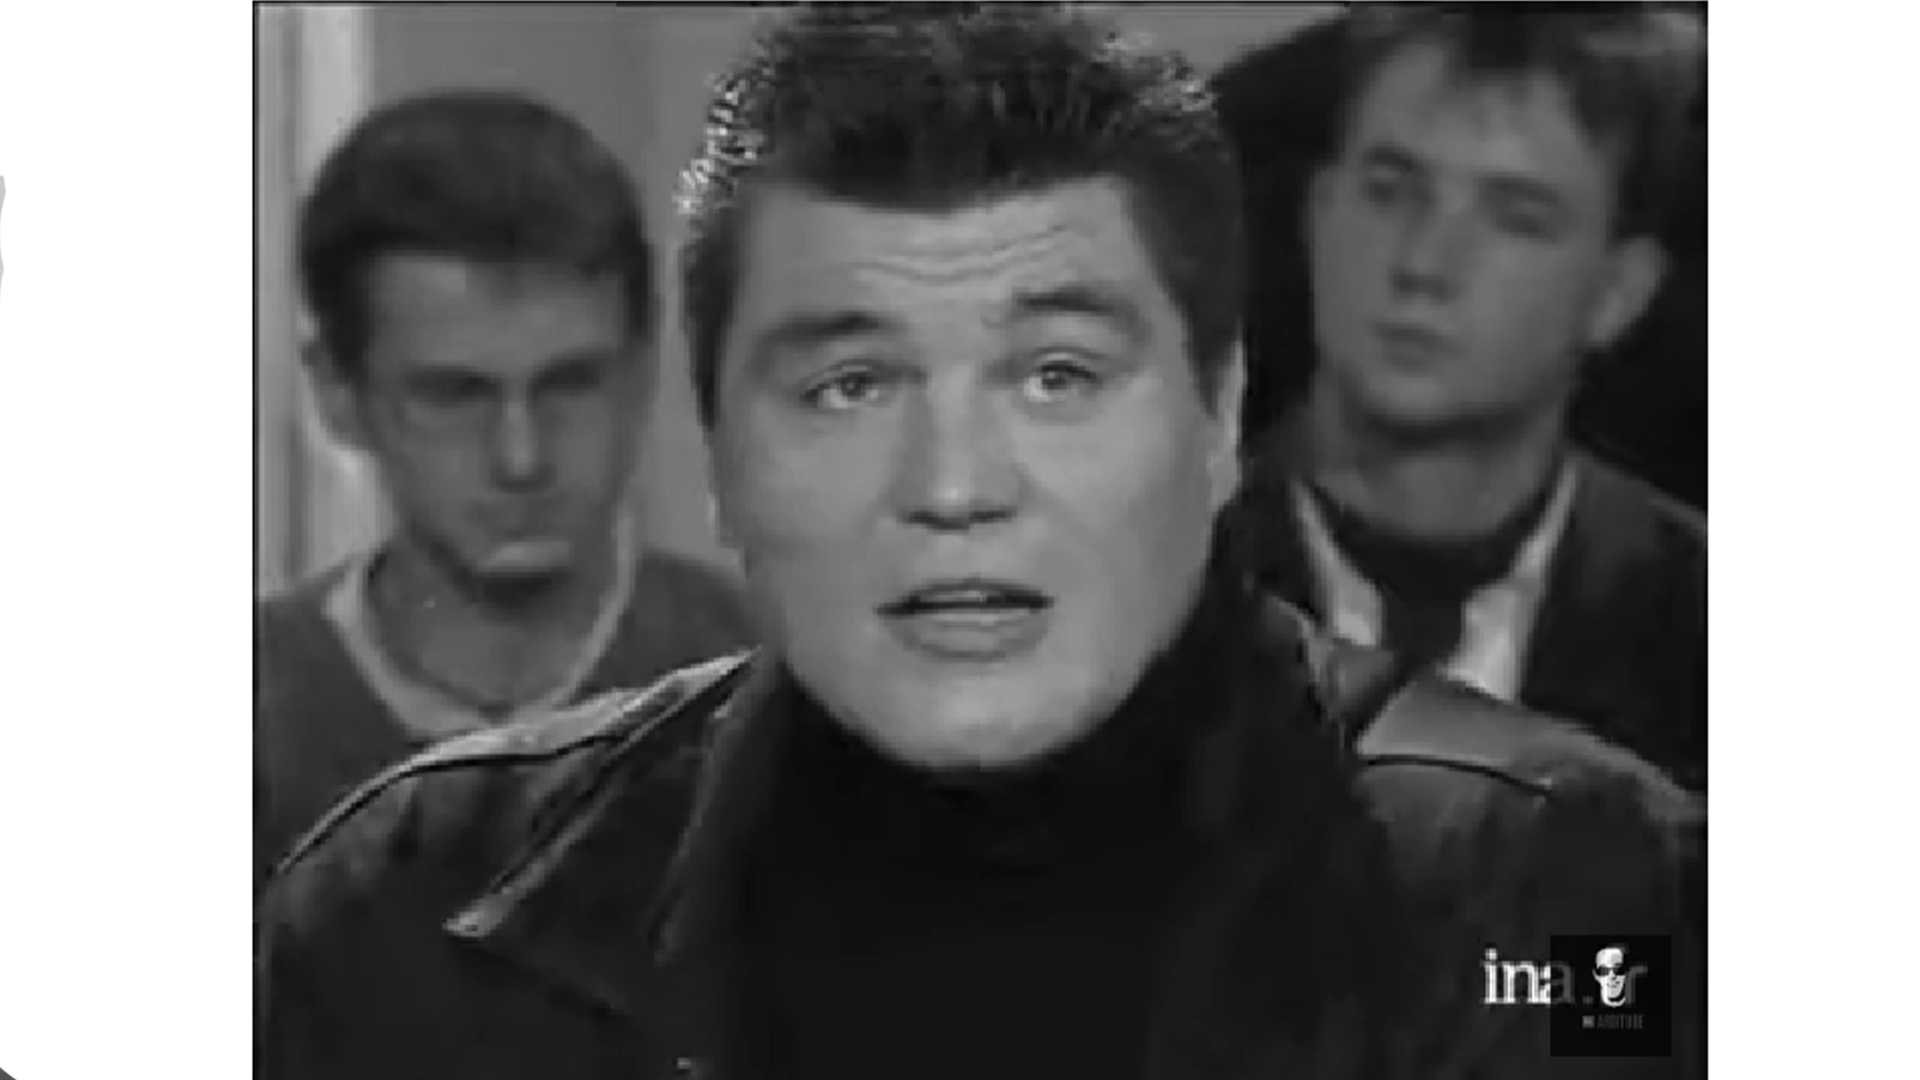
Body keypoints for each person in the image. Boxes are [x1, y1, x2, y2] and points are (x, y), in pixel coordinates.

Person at [256, 7, 1703, 1078]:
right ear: (718, 452)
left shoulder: (1563, 891)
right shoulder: (409, 908)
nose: (953, 485)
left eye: (1057, 377)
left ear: (1216, 420)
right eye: (850, 384)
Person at [254, 90, 753, 886]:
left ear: (642, 368)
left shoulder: (776, 689)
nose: (521, 457)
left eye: (570, 384)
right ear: (338, 393)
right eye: (454, 396)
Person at [1215, 5, 1709, 791]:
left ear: (1619, 291)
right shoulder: (1137, 584)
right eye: (1390, 191)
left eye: (1515, 217)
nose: (1425, 263)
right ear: (1319, 213)